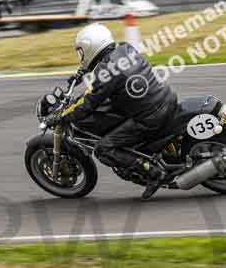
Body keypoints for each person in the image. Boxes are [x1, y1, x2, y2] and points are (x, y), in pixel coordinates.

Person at [46, 23, 178, 200]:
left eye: (82, 51)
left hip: (150, 118)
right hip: (166, 99)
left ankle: (154, 173)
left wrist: (61, 115)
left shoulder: (105, 74)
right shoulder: (126, 49)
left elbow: (87, 103)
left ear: (90, 47)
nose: (81, 55)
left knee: (103, 149)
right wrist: (82, 72)